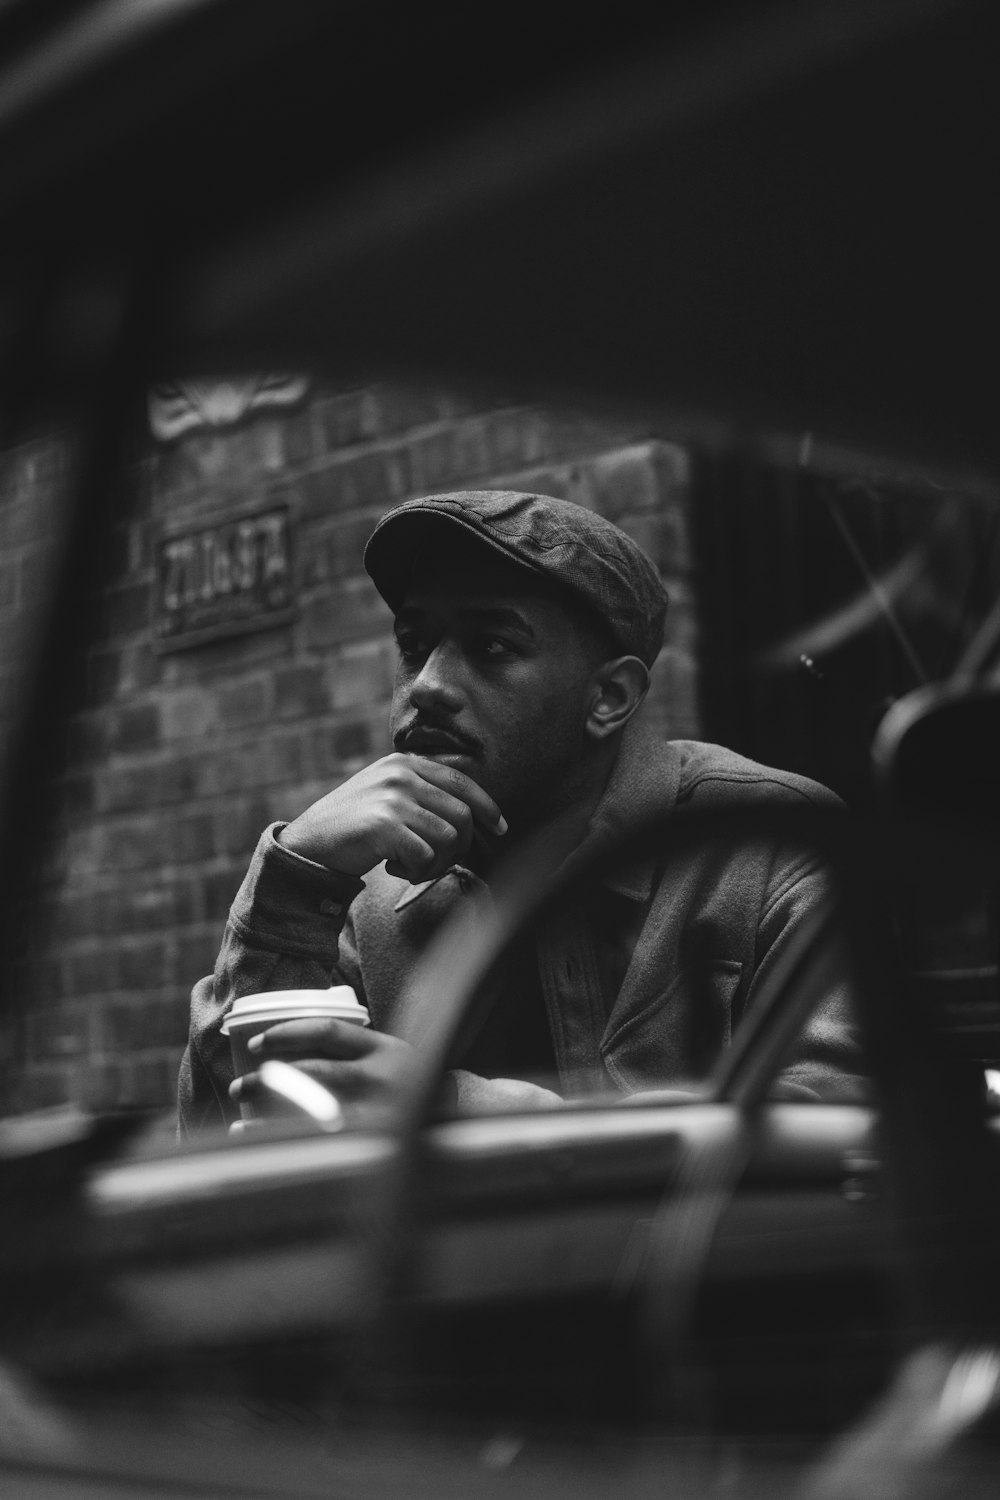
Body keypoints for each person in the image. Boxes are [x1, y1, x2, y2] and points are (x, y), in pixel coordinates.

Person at [178, 489, 857, 1133]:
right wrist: (291, 885)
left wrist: (474, 1116)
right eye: (414, 646)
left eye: (493, 645)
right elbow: (222, 1168)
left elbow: (847, 1121)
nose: (429, 685)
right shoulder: (371, 903)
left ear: (609, 697)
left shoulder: (768, 841)